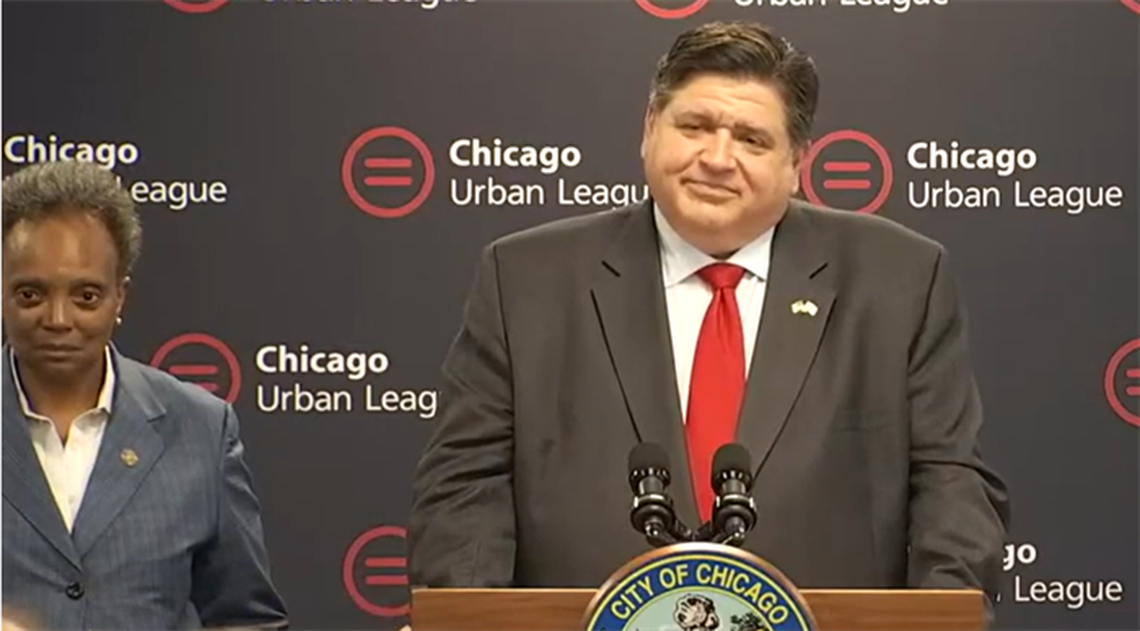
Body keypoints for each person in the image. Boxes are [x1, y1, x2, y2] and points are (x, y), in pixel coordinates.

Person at [407, 19, 1011, 607]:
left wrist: (939, 617)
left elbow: (951, 483)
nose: (717, 158)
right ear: (649, 128)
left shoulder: (899, 279)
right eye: (694, 126)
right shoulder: (524, 279)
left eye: (752, 140)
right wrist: (470, 621)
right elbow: (466, 486)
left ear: (796, 163)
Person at [1, 160, 289, 631]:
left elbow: (246, 620)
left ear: (120, 297)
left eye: (86, 296)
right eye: (31, 295)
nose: (58, 319)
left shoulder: (200, 429)